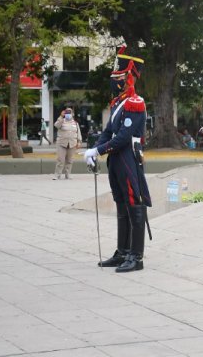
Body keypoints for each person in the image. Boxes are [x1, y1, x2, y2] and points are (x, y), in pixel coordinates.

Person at [84, 47, 152, 273]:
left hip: (128, 157)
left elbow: (123, 136)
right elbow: (108, 131)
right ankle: (122, 251)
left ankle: (137, 256)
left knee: (134, 203)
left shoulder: (135, 102)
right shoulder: (117, 104)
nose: (114, 82)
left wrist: (101, 150)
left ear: (128, 79)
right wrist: (94, 150)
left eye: (118, 78)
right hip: (116, 158)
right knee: (121, 203)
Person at [53, 107, 81, 180]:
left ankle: (68, 174)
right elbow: (56, 125)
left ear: (72, 114)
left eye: (70, 112)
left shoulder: (75, 123)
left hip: (72, 144)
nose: (68, 114)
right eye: (67, 112)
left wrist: (79, 142)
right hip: (61, 143)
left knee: (70, 160)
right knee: (60, 160)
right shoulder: (61, 120)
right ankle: (57, 175)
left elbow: (78, 133)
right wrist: (61, 116)